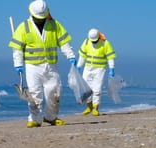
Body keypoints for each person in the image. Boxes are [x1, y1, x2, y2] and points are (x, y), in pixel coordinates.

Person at [8, 0, 76, 128]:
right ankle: (34, 119)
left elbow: (63, 42)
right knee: (34, 94)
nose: (40, 20)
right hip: (33, 66)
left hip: (51, 65)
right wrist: (18, 64)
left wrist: (71, 56)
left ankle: (51, 117)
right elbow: (17, 49)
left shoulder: (54, 24)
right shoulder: (24, 27)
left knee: (54, 91)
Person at [76, 28, 116, 116]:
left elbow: (110, 57)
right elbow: (82, 55)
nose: (93, 42)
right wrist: (79, 66)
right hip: (88, 68)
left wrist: (112, 68)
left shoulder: (105, 43)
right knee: (87, 89)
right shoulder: (86, 42)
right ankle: (89, 107)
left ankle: (95, 108)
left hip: (99, 69)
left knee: (97, 89)